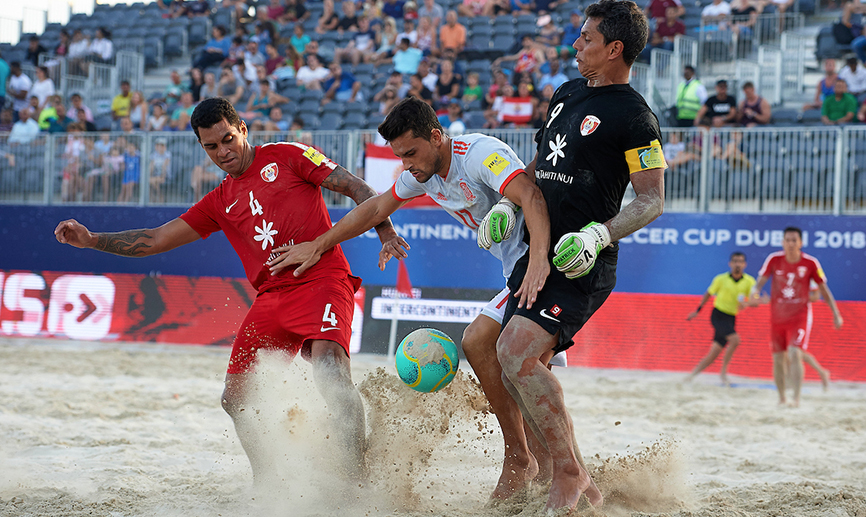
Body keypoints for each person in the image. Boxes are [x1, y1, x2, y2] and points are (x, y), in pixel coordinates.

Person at [54, 97, 400, 485]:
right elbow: (155, 239)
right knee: (235, 400)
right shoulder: (219, 200)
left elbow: (357, 187)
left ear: (243, 129)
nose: (223, 152)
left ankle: (357, 482)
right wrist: (93, 239)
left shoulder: (287, 155)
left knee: (330, 375)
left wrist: (385, 232)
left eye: (228, 139)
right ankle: (270, 484)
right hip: (272, 297)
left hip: (321, 278)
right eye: (211, 147)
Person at [267, 95, 562, 501]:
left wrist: (539, 262)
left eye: (410, 153)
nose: (406, 164)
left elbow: (531, 196)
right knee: (498, 358)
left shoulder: (479, 154)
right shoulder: (422, 175)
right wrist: (319, 244)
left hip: (546, 265)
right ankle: (540, 465)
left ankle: (539, 465)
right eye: (399, 156)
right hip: (517, 272)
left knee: (501, 356)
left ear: (436, 138)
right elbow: (373, 209)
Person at [496, 0, 664, 510]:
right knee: (516, 366)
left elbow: (652, 200)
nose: (575, 45)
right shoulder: (566, 93)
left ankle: (567, 473)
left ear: (614, 49)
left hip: (581, 264)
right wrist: (507, 200)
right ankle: (583, 486)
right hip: (537, 254)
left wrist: (598, 236)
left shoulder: (637, 118)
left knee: (515, 354)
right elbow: (544, 162)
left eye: (586, 39)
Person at [747, 227, 843, 407]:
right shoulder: (774, 259)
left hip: (799, 316)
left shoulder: (810, 263)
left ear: (801, 243)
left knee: (795, 353)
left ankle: (796, 399)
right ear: (782, 242)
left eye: (794, 240)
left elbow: (821, 292)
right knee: (778, 358)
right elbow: (759, 283)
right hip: (777, 317)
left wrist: (836, 313)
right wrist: (754, 293)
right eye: (787, 240)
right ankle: (782, 398)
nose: (790, 244)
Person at [685, 252, 756, 385]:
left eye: (740, 261)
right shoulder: (721, 279)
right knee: (735, 340)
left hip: (731, 318)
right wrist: (698, 310)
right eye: (735, 261)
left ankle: (691, 376)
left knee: (714, 353)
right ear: (730, 264)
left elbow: (754, 299)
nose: (737, 264)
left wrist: (748, 303)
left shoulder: (749, 281)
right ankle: (723, 374)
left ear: (744, 265)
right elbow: (708, 293)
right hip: (718, 315)